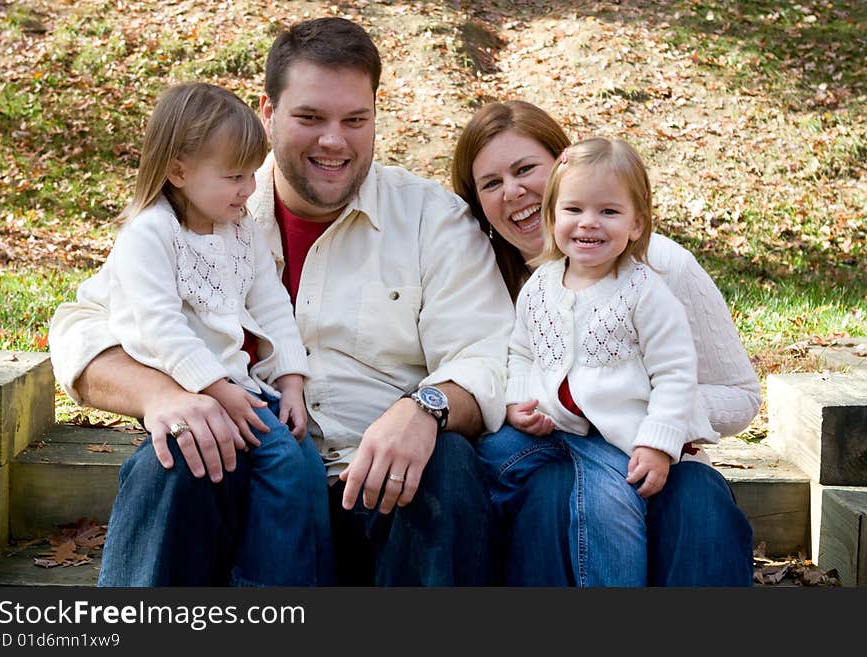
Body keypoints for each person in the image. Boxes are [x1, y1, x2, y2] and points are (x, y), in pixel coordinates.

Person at [48, 17, 513, 586]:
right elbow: (80, 326)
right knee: (176, 454)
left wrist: (426, 410)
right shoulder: (198, 211)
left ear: (375, 113)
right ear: (268, 114)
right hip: (241, 482)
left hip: (377, 489)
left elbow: (486, 355)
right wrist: (161, 393)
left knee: (450, 464)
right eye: (310, 117)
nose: (333, 140)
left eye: (354, 119)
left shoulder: (432, 220)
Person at [452, 100, 760, 586]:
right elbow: (513, 361)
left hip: (649, 452)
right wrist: (520, 402)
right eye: (491, 183)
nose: (513, 191)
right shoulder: (482, 276)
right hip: (543, 453)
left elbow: (740, 396)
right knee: (548, 491)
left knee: (696, 499)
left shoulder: (657, 272)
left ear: (562, 163)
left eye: (525, 169)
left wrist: (646, 416)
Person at [75, 81, 333, 586]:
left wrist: (292, 380)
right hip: (183, 386)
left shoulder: (240, 231)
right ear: (178, 171)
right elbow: (162, 328)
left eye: (253, 175)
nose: (250, 190)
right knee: (284, 463)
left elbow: (273, 304)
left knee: (303, 460)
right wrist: (217, 389)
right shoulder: (149, 234)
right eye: (235, 176)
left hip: (235, 385)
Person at [504, 137, 720, 585]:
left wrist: (658, 442)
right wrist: (518, 401)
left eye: (608, 211)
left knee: (605, 513)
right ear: (552, 217)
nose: (589, 223)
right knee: (486, 459)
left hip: (620, 440)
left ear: (637, 225)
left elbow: (676, 373)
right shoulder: (541, 285)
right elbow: (522, 352)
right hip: (555, 431)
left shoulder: (644, 293)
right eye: (574, 209)